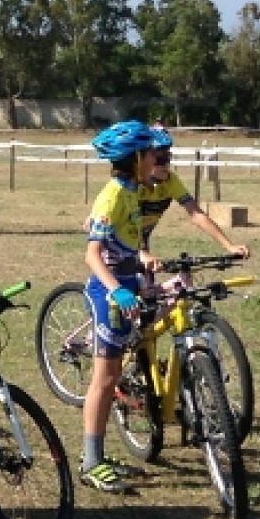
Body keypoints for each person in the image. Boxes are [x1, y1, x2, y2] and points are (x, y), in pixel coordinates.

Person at [78, 120, 159, 494]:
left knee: (115, 375)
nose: (157, 161)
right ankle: (91, 461)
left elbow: (128, 241)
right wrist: (116, 291)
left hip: (129, 282)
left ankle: (100, 454)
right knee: (105, 378)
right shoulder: (112, 195)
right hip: (108, 290)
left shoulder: (132, 191)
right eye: (152, 155)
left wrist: (144, 267)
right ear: (136, 158)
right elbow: (92, 254)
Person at [134, 127, 249, 258]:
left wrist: (229, 246)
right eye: (160, 160)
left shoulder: (170, 181)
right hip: (118, 248)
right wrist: (140, 252)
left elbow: (196, 214)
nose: (166, 165)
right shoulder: (132, 185)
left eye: (168, 158)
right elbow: (118, 227)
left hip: (140, 245)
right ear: (142, 160)